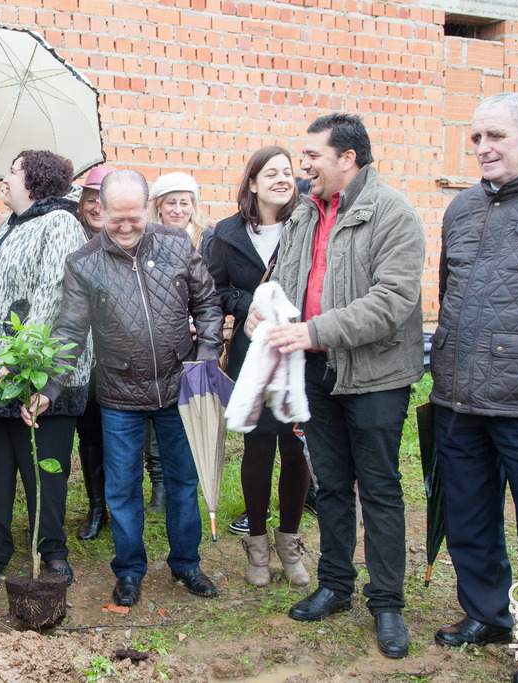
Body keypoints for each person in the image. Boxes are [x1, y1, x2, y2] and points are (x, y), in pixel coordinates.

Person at [249, 113, 424, 659]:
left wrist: (312, 330)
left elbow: (392, 302)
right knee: (328, 485)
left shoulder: (393, 213)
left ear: (347, 159)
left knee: (377, 487)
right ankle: (336, 584)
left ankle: (388, 603)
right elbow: (286, 279)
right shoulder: (305, 214)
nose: (303, 167)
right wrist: (264, 310)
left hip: (374, 376)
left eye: (312, 157)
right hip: (317, 374)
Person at [44, 169, 223, 608]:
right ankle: (128, 571)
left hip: (178, 387)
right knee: (122, 487)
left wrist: (204, 356)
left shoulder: (177, 244)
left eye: (134, 217)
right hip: (120, 394)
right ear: (99, 210)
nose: (125, 227)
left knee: (182, 480)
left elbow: (207, 303)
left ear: (147, 208)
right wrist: (50, 386)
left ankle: (186, 563)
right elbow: (70, 330)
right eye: (115, 218)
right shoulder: (83, 262)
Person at [430, 92, 518, 683]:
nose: (483, 149)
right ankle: (488, 613)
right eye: (475, 138)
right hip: (459, 397)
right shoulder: (464, 210)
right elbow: (451, 292)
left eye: (496, 136)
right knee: (469, 516)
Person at [0, 150, 92, 590]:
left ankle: (52, 552)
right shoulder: (13, 227)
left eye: (12, 171)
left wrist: (18, 364)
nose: (4, 178)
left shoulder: (60, 224)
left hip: (39, 375)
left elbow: (53, 297)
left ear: (34, 180)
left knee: (43, 469)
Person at [207, 146, 311, 587]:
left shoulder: (308, 223)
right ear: (252, 182)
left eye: (288, 172)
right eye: (271, 173)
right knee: (258, 448)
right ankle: (256, 545)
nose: (282, 179)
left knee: (295, 448)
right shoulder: (226, 233)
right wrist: (248, 304)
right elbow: (215, 288)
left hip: (302, 350)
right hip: (255, 355)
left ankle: (289, 543)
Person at [142, 171, 214, 513]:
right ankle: (159, 484)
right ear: (158, 206)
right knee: (160, 412)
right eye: (171, 202)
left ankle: (188, 481)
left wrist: (204, 329)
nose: (178, 208)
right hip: (162, 343)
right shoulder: (148, 239)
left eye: (184, 202)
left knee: (192, 412)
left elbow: (211, 292)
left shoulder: (207, 239)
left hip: (198, 344)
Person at [72, 164, 117, 541]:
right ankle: (97, 505)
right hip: (79, 355)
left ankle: (121, 504)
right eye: (91, 199)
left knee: (120, 433)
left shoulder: (129, 240)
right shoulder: (69, 238)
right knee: (89, 431)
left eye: (104, 199)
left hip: (119, 355)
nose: (96, 206)